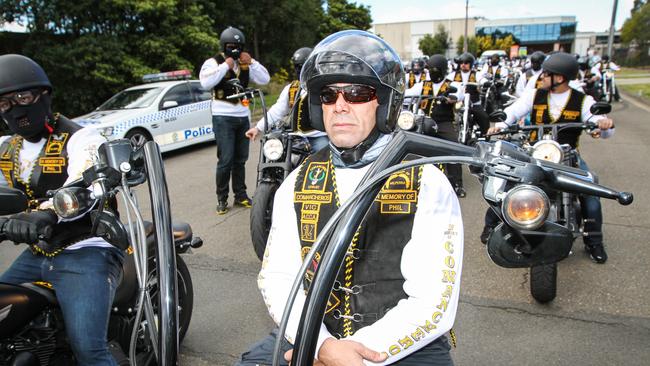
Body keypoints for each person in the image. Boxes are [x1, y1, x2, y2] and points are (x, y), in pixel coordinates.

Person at [237, 30, 463, 366]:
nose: (340, 106)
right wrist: (322, 346)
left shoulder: (427, 181)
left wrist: (355, 355)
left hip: (402, 341)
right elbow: (278, 276)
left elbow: (432, 299)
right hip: (314, 334)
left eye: (357, 93)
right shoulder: (297, 182)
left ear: (382, 102)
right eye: (329, 95)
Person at [0, 54, 124, 365]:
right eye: (4, 104)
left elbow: (88, 177)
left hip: (85, 248)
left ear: (44, 95)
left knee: (89, 350)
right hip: (40, 250)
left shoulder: (80, 137)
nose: (15, 109)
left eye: (22, 97)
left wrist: (48, 212)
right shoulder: (6, 147)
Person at [485, 52, 614, 263]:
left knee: (591, 189)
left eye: (546, 74)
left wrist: (603, 124)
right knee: (506, 184)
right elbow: (513, 112)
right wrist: (499, 125)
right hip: (535, 154)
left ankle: (594, 241)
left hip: (568, 157)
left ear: (560, 78)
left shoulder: (582, 100)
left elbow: (600, 124)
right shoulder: (534, 95)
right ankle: (491, 226)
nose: (541, 77)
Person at [200, 26, 270, 215]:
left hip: (242, 117)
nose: (235, 50)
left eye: (238, 46)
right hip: (223, 117)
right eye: (231, 46)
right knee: (226, 159)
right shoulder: (213, 62)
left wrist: (253, 62)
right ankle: (222, 198)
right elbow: (205, 82)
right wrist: (225, 65)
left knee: (241, 159)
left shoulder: (245, 63)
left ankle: (240, 195)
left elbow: (265, 79)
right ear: (224, 46)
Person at [245, 47, 329, 152]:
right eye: (297, 67)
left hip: (318, 136)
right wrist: (257, 128)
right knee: (276, 156)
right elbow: (277, 111)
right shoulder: (291, 88)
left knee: (326, 156)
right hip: (294, 137)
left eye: (302, 66)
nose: (299, 70)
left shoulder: (324, 86)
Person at [406, 54, 465, 196]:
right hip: (424, 122)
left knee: (453, 148)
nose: (432, 73)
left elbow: (459, 95)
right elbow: (408, 93)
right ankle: (414, 182)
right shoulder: (422, 85)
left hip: (444, 123)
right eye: (430, 70)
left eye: (435, 70)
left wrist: (452, 98)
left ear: (443, 70)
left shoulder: (453, 84)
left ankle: (457, 184)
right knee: (411, 146)